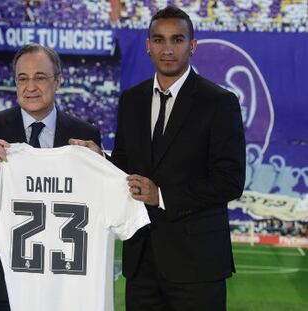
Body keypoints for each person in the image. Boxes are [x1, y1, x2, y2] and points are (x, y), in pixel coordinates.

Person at [70, 5, 246, 311]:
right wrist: (100, 158)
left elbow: (229, 181)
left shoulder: (219, 102)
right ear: (148, 45)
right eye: (159, 40)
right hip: (142, 262)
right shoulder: (132, 100)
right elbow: (127, 164)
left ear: (192, 46)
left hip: (197, 266)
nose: (167, 49)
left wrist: (161, 195)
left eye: (177, 40)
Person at [0, 43, 101, 311]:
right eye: (23, 78)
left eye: (40, 77)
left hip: (63, 276)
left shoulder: (84, 133)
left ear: (58, 81)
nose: (30, 87)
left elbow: (98, 202)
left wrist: (99, 165)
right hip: (0, 279)